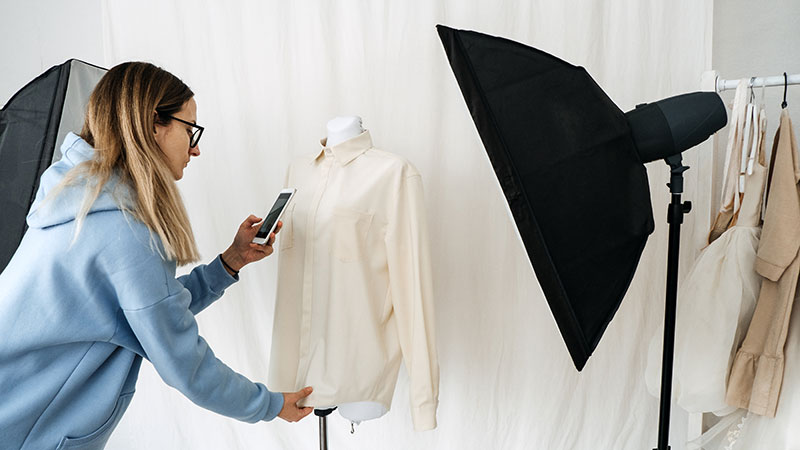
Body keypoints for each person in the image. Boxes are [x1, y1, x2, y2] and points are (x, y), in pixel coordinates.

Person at [0, 61, 313, 450]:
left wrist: (229, 263)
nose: (195, 148)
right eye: (190, 130)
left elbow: (140, 310)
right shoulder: (126, 230)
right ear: (152, 125)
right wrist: (270, 404)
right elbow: (188, 367)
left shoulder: (78, 195)